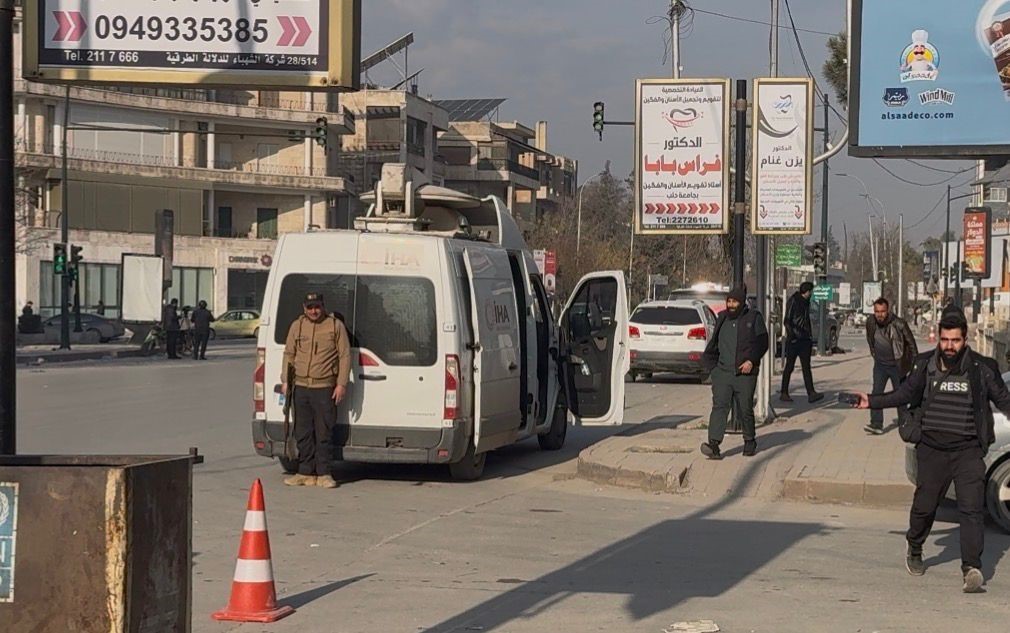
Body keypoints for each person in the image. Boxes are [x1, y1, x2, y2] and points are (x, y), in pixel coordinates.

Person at [852, 309, 1010, 593]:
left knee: (972, 509)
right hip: (932, 449)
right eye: (945, 340)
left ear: (966, 339)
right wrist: (871, 401)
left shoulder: (982, 368)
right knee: (925, 507)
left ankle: (971, 568)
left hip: (968, 451)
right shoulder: (925, 365)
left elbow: (1003, 399)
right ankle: (915, 545)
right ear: (938, 337)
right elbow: (904, 395)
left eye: (956, 340)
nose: (950, 346)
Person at [280, 293, 351, 489]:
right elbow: (289, 354)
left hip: (324, 387)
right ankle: (304, 472)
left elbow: (345, 356)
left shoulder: (335, 326)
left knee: (324, 431)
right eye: (310, 307)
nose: (313, 311)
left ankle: (324, 473)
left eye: (317, 307)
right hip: (301, 386)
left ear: (323, 306)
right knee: (302, 432)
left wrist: (341, 384)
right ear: (304, 307)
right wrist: (286, 380)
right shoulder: (297, 326)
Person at [700, 286, 769, 459]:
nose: (731, 305)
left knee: (745, 407)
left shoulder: (753, 317)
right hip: (723, 372)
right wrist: (713, 369)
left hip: (744, 373)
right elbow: (715, 343)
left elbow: (762, 342)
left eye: (734, 301)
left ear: (741, 302)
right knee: (720, 407)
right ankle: (713, 444)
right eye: (729, 301)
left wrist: (751, 361)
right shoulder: (722, 317)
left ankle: (749, 440)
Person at [865, 297, 918, 435]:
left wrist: (915, 367)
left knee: (900, 395)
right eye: (877, 311)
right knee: (876, 393)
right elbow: (870, 339)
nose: (879, 315)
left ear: (887, 311)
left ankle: (904, 422)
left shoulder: (899, 324)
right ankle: (876, 423)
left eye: (882, 311)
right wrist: (875, 354)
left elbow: (912, 346)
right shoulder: (870, 322)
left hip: (897, 366)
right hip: (880, 366)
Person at [780, 282, 824, 403]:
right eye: (811, 292)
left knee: (806, 367)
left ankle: (811, 393)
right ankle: (784, 392)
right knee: (789, 366)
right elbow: (787, 321)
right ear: (807, 291)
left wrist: (808, 336)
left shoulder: (806, 302)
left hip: (804, 339)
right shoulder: (794, 301)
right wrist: (792, 335)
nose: (812, 294)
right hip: (795, 340)